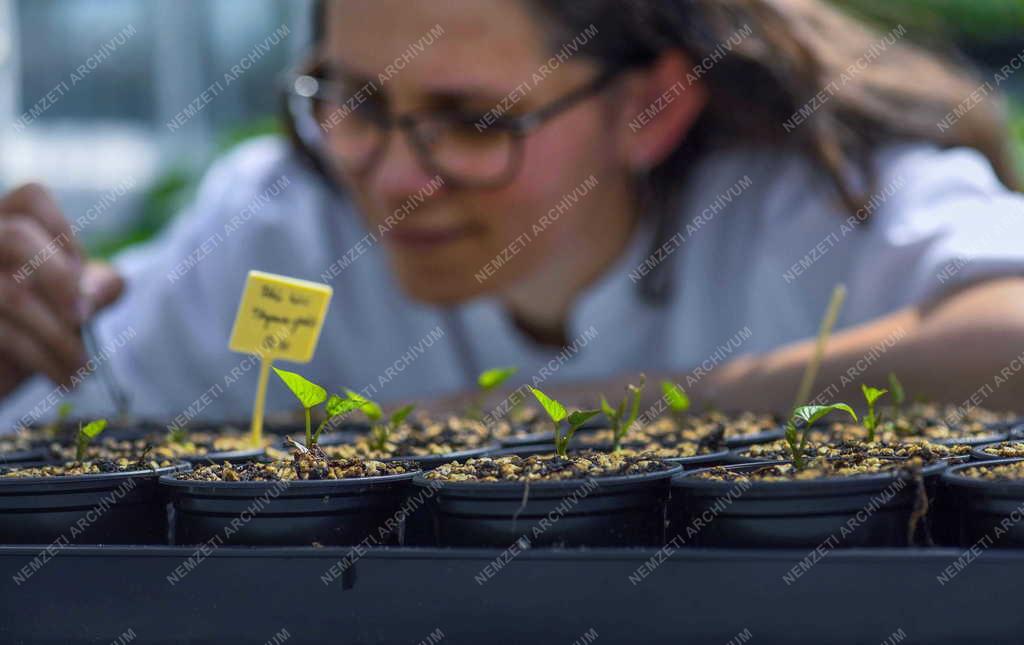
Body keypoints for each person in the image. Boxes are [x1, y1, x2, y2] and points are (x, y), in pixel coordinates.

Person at [2, 0, 1024, 431]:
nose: (395, 179)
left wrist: (561, 417)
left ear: (651, 105)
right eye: (356, 101)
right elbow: (69, 421)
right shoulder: (283, 229)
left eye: (474, 120)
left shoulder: (817, 191)